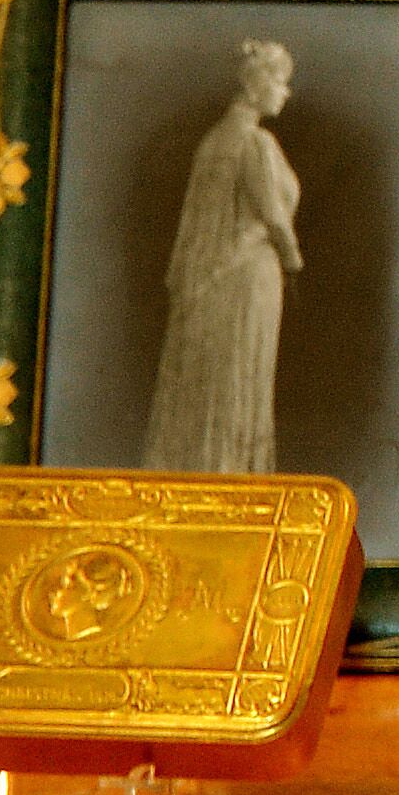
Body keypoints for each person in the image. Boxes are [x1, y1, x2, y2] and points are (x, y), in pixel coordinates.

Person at [142, 38, 301, 474]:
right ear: (258, 85)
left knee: (217, 374)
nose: (285, 92)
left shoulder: (213, 141)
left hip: (216, 277)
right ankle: (233, 470)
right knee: (238, 376)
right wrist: (294, 260)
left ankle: (215, 465)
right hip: (249, 276)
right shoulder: (255, 143)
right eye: (281, 82)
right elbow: (272, 214)